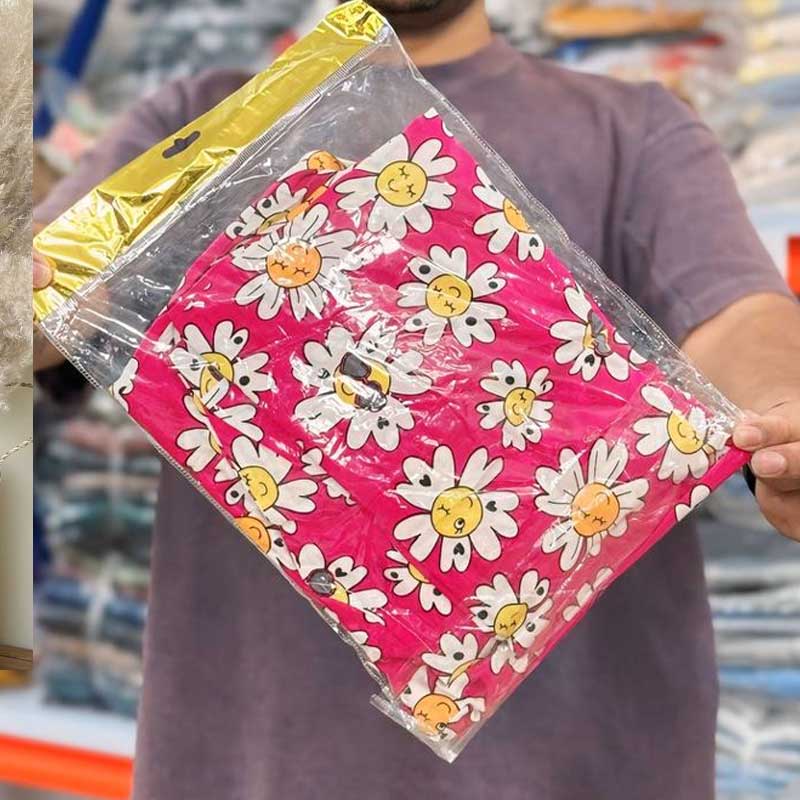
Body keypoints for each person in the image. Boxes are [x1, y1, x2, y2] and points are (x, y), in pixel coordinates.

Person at [33, 2, 800, 798]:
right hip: (251, 758)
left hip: (577, 765)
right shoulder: (193, 121)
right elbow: (50, 294)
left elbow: (736, 313)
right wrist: (29, 300)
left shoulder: (632, 128)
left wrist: (782, 405)